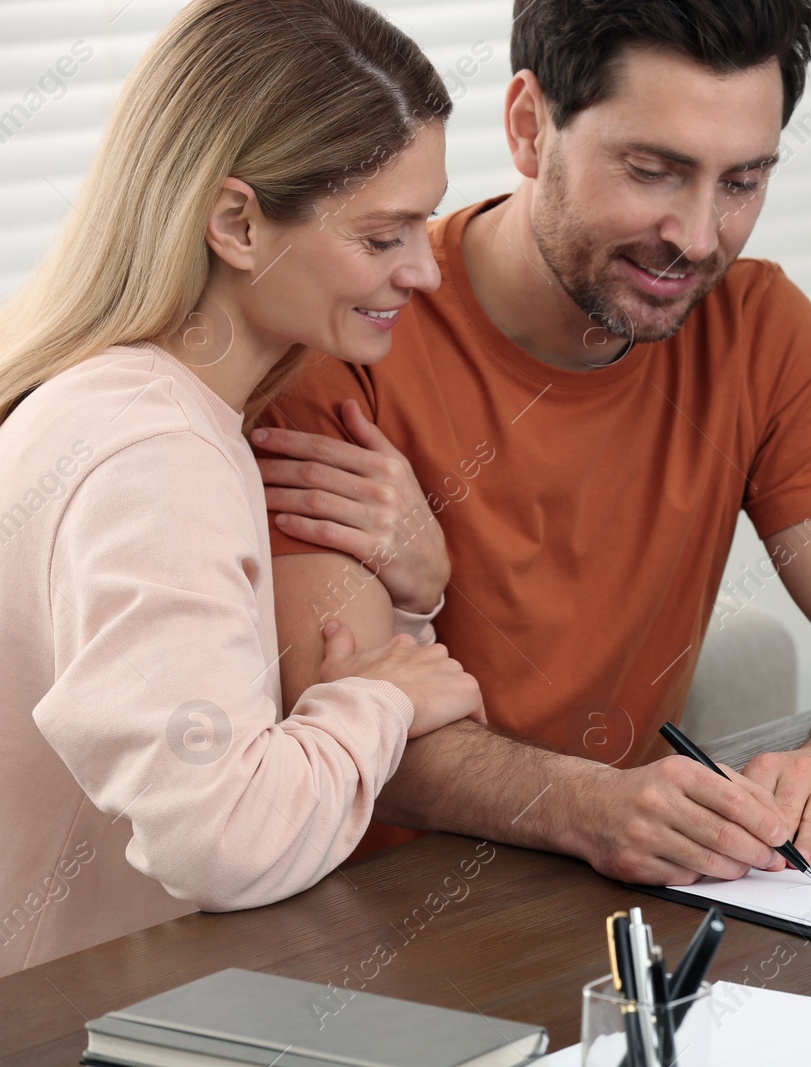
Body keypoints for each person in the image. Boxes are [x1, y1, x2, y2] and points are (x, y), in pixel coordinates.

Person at [248, 0, 811, 886]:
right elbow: (352, 721)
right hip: (357, 915)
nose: (699, 238)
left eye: (743, 181)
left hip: (604, 903)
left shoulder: (761, 329)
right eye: (652, 170)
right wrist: (590, 806)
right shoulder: (352, 329)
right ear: (529, 126)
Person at [0, 0, 486, 976]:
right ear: (237, 222)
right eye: (383, 235)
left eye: (424, 224)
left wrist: (414, 591)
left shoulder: (150, 407)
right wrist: (378, 703)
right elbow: (222, 837)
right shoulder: (150, 450)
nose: (426, 271)